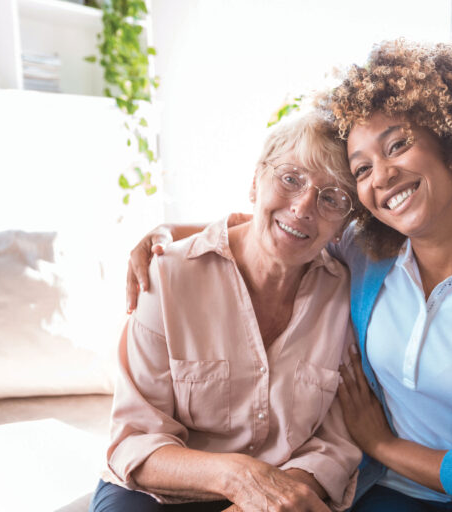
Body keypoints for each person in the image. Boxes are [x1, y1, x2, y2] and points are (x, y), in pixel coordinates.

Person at [126, 40, 452, 512]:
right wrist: (169, 234)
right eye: (361, 168)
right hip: (373, 491)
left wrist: (380, 443)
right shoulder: (369, 252)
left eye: (398, 145)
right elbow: (279, 225)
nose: (382, 176)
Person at [90, 111, 362, 512]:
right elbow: (135, 438)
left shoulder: (344, 295)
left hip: (281, 489)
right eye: (291, 178)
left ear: (344, 225)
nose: (304, 207)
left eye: (332, 198)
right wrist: (240, 479)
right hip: (161, 488)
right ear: (255, 183)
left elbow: (334, 443)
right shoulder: (166, 276)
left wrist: (273, 496)